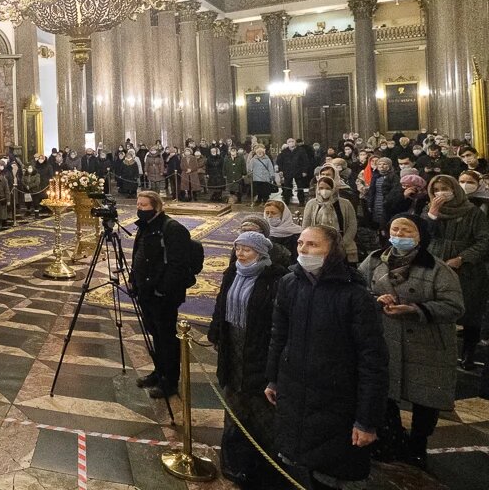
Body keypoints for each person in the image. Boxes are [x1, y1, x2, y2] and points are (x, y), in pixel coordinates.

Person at [265, 225, 388, 489]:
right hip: (297, 391)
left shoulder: (354, 295)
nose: (303, 250)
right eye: (300, 244)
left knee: (332, 474)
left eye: (313, 245)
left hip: (337, 399)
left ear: (332, 251)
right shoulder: (289, 283)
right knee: (298, 465)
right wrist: (273, 379)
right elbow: (279, 335)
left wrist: (366, 420)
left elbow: (372, 361)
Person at [359, 214, 463, 470]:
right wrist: (375, 299)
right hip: (386, 338)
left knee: (425, 398)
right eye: (396, 229)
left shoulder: (438, 269)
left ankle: (418, 443)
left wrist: (414, 309)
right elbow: (357, 290)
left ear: (420, 236)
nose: (400, 235)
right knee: (386, 392)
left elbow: (454, 306)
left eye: (407, 231)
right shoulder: (373, 261)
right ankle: (392, 439)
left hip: (426, 345)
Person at [208, 231, 287, 487]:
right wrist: (216, 331)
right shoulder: (232, 273)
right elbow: (222, 304)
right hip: (233, 348)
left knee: (261, 413)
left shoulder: (275, 278)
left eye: (247, 250)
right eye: (238, 248)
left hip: (259, 349)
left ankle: (264, 467)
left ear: (261, 253)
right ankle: (233, 463)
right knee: (234, 408)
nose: (240, 254)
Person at [130, 191, 195, 399]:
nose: (140, 209)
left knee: (166, 337)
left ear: (156, 207)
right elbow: (138, 255)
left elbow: (177, 264)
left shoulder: (172, 228)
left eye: (144, 206)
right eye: (138, 205)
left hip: (163, 294)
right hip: (146, 291)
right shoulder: (145, 226)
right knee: (155, 334)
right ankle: (158, 372)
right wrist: (134, 281)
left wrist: (162, 289)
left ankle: (170, 380)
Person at [424, 174, 489, 370]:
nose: (440, 193)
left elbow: (484, 240)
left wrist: (463, 258)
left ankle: (468, 353)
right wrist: (432, 214)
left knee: (470, 310)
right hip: (436, 261)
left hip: (467, 268)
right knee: (437, 307)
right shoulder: (429, 210)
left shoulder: (473, 212)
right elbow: (424, 235)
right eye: (436, 190)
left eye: (445, 188)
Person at [302, 176, 357, 264]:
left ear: (333, 189)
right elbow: (306, 225)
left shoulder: (345, 204)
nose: (324, 191)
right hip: (317, 245)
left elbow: (352, 225)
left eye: (328, 188)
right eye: (321, 188)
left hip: (341, 245)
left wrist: (342, 243)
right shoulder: (311, 204)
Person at [276, 138, 313, 205]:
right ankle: (286, 201)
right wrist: (280, 170)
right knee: (287, 187)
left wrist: (304, 171)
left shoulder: (301, 150)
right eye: (289, 142)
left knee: (300, 187)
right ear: (287, 143)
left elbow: (305, 161)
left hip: (298, 171)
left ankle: (301, 201)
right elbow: (280, 162)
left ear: (295, 142)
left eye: (292, 141)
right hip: (287, 171)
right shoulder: (284, 151)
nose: (291, 143)